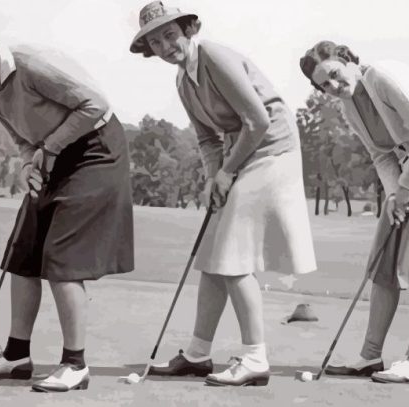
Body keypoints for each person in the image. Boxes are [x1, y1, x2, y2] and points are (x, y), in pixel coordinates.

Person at [0, 25, 134, 392]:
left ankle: (75, 364)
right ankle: (16, 356)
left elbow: (96, 104)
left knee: (62, 256)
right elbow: (23, 140)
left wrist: (50, 148)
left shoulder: (31, 64)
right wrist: (28, 166)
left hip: (95, 151)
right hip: (52, 156)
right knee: (23, 254)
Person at [130, 2, 317, 387]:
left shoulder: (213, 56)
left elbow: (258, 120)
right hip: (242, 155)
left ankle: (255, 359)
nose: (166, 46)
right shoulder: (183, 80)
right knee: (213, 253)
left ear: (188, 30)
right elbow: (206, 139)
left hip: (273, 150)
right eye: (156, 42)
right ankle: (198, 355)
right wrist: (213, 178)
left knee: (232, 257)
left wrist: (227, 173)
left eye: (170, 35)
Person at [300, 41, 409, 384]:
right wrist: (393, 194)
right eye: (323, 86)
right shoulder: (350, 107)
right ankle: (370, 355)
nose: (332, 87)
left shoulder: (382, 77)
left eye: (333, 75)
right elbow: (381, 155)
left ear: (346, 59)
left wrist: (405, 188)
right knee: (383, 262)